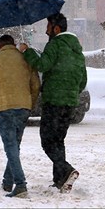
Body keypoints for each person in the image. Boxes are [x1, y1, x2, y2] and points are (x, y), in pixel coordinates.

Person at [18, 13, 87, 193]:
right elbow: (83, 81)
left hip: (54, 102)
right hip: (70, 103)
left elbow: (43, 64)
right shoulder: (77, 50)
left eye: (48, 27)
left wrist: (27, 51)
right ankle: (60, 180)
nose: (46, 30)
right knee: (58, 141)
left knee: (47, 141)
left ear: (56, 29)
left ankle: (66, 170)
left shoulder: (55, 44)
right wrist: (71, 92)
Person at [0, 34, 40, 198]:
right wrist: (29, 102)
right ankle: (7, 181)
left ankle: (21, 184)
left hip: (5, 107)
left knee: (10, 147)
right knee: (14, 146)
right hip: (23, 107)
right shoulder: (25, 58)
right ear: (13, 44)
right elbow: (35, 85)